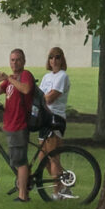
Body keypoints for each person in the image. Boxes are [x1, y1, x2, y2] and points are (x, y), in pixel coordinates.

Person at [0, 48, 43, 201]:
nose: (15, 63)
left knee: (20, 162)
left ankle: (23, 196)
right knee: (18, 160)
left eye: (18, 59)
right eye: (12, 60)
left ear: (23, 61)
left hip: (19, 124)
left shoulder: (25, 75)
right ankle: (24, 188)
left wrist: (8, 78)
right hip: (10, 124)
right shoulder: (11, 79)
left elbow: (26, 89)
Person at [33, 46, 72, 196]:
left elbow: (49, 98)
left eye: (57, 57)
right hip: (44, 118)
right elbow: (40, 97)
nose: (54, 60)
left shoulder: (62, 76)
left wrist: (41, 97)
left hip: (55, 118)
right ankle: (63, 185)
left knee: (53, 157)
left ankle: (57, 193)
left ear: (62, 60)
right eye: (51, 57)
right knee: (43, 158)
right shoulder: (46, 77)